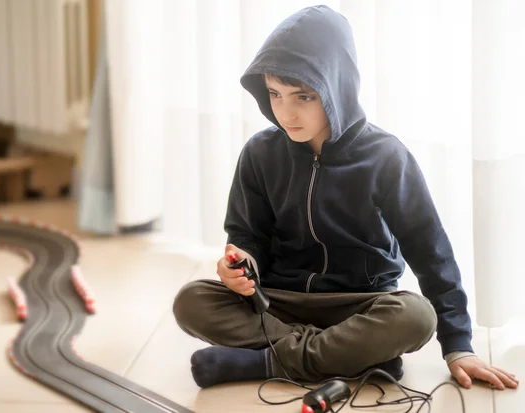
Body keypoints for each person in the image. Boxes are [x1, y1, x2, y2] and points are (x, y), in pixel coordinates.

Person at [173, 5, 519, 391]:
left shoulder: (387, 157)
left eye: (303, 96)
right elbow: (246, 233)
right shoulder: (260, 153)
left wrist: (459, 346)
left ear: (335, 87)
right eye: (274, 93)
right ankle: (349, 357)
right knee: (191, 300)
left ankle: (268, 360)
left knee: (416, 316)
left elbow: (431, 252)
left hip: (361, 304)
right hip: (280, 302)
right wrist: (241, 266)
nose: (285, 112)